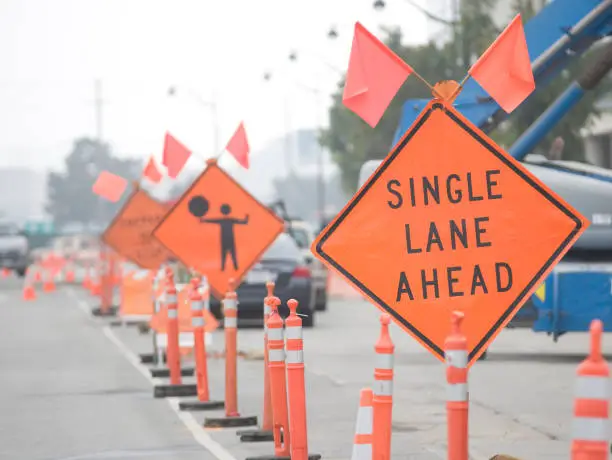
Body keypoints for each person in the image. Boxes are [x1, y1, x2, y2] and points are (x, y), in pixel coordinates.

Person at [200, 203, 249, 271]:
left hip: (225, 239)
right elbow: (243, 222)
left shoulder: (223, 220)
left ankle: (227, 267)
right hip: (229, 239)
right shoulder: (230, 220)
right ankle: (233, 267)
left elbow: (212, 221)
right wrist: (246, 218)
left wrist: (203, 220)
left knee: (225, 254)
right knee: (231, 254)